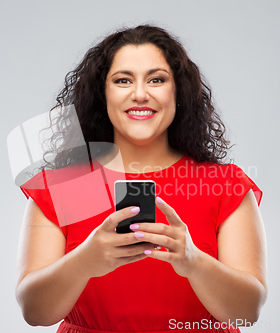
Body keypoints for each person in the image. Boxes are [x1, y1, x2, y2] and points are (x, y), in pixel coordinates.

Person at [15, 24, 267, 333]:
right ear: (102, 92)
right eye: (123, 80)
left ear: (178, 91)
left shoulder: (225, 185)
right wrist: (85, 260)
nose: (139, 94)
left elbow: (247, 312)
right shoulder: (64, 188)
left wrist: (194, 262)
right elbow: (35, 312)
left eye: (156, 80)